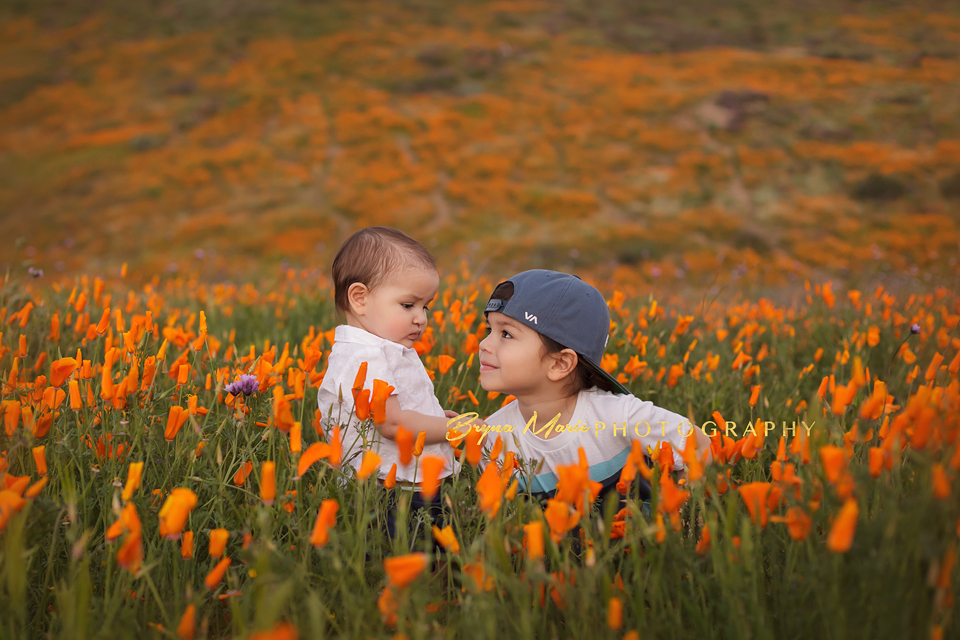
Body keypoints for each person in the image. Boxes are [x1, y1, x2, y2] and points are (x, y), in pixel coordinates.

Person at [471, 269, 713, 518]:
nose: (484, 344)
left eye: (506, 334)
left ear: (560, 364)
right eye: (489, 329)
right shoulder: (493, 437)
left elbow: (698, 446)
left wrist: (682, 521)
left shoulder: (620, 416)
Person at [316, 227, 482, 543]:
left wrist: (436, 418)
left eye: (426, 307)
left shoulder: (380, 349)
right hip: (394, 492)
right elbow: (391, 423)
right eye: (408, 305)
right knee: (417, 562)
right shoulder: (366, 355)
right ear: (360, 298)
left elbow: (402, 407)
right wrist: (456, 429)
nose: (421, 318)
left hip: (403, 484)